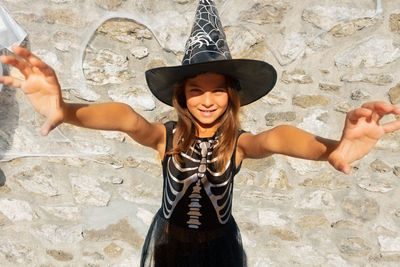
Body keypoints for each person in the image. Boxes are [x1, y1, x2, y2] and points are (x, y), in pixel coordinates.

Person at [1, 1, 400, 266]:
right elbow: (127, 119)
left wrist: (333, 148)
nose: (207, 101)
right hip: (168, 247)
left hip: (220, 251)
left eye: (217, 90)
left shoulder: (237, 144)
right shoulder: (167, 139)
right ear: (181, 97)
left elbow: (277, 138)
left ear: (231, 96)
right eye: (195, 90)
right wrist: (67, 110)